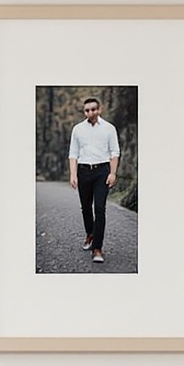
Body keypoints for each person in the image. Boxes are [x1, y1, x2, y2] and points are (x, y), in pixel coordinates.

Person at [68, 94, 120, 261]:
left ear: (99, 109)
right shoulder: (78, 129)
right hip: (83, 171)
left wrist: (112, 173)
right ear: (84, 111)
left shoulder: (109, 128)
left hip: (102, 171)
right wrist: (73, 174)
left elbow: (114, 152)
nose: (90, 112)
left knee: (100, 208)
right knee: (86, 207)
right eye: (87, 110)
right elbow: (73, 153)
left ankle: (97, 248)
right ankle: (90, 234)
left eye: (93, 109)